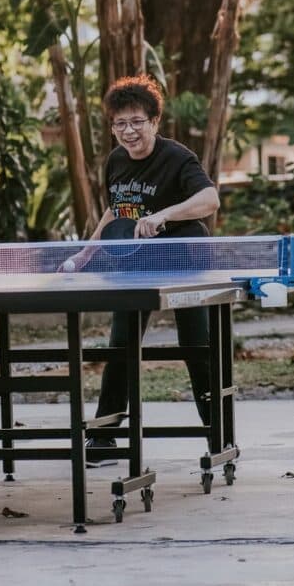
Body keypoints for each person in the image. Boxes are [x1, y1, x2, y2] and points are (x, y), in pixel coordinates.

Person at [82, 74, 220, 467]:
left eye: (137, 121)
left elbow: (210, 199)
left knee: (197, 347)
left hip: (183, 260)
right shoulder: (115, 161)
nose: (129, 131)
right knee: (120, 345)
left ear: (155, 122)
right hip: (136, 264)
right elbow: (116, 211)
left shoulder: (177, 157)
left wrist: (162, 216)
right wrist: (86, 251)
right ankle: (106, 437)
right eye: (120, 123)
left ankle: (217, 433)